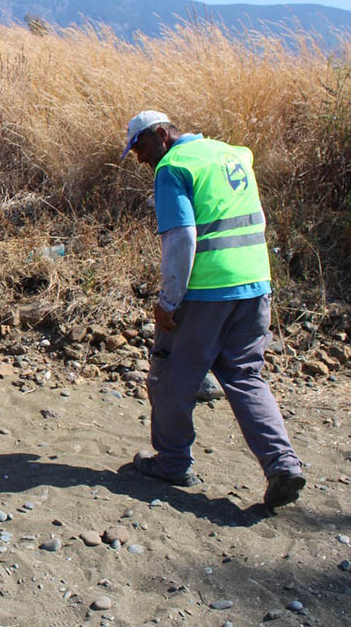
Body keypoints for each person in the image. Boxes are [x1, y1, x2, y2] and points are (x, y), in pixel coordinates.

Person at [122, 110, 305, 509]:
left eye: (140, 146)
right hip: (255, 284)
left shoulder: (173, 167)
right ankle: (282, 463)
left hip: (206, 292)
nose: (139, 157)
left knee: (168, 378)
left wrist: (168, 302)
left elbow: (182, 240)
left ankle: (172, 463)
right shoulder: (232, 154)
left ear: (161, 134)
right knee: (245, 377)